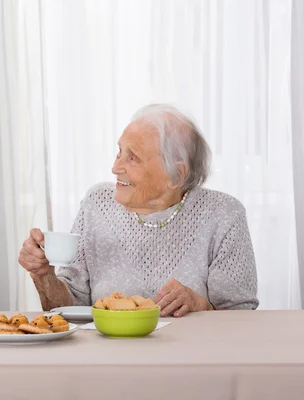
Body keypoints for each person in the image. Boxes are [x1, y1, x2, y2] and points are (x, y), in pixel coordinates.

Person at [18, 104, 258, 317]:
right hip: (107, 357)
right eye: (119, 152)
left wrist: (202, 306)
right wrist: (44, 276)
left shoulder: (224, 214)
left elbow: (241, 317)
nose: (115, 167)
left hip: (189, 360)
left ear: (177, 174)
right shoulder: (97, 203)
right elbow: (67, 310)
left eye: (132, 158)